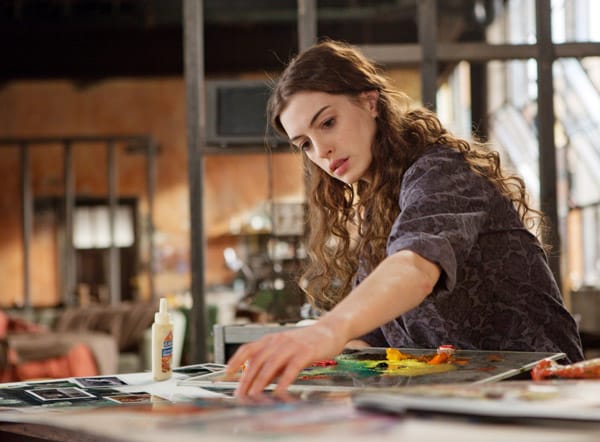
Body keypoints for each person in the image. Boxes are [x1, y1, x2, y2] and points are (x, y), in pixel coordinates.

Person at [225, 39, 584, 396]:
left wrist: (326, 331)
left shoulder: (441, 171)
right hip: (459, 404)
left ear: (369, 101)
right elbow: (374, 337)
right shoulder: (378, 207)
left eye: (328, 122)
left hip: (538, 397)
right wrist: (312, 372)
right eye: (304, 143)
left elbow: (416, 268)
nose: (320, 151)